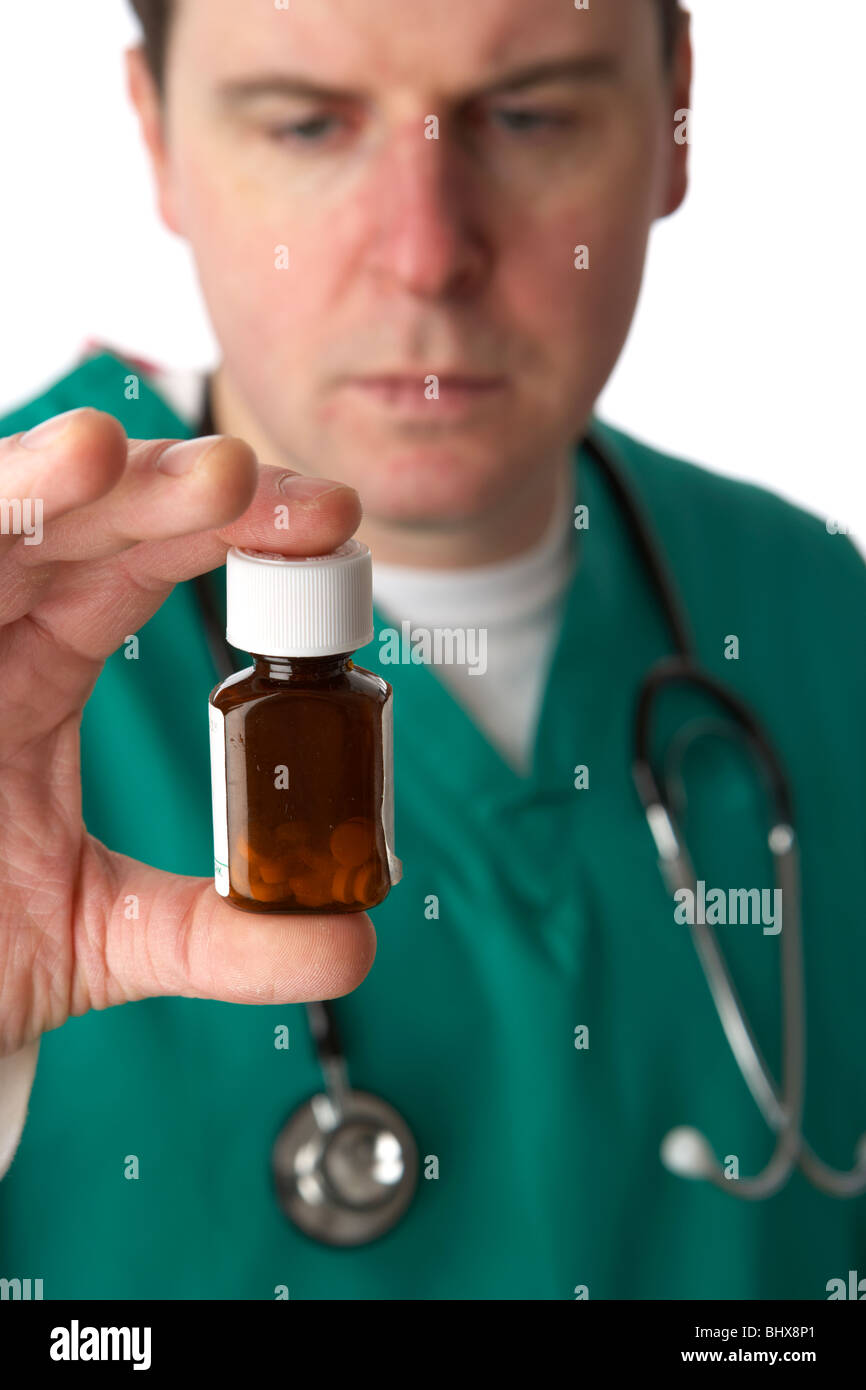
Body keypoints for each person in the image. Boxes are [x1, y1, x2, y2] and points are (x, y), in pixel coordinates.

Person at [0, 0, 864, 1301]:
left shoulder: (815, 611)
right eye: (306, 122)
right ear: (157, 137)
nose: (424, 252)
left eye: (526, 115)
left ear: (674, 111)